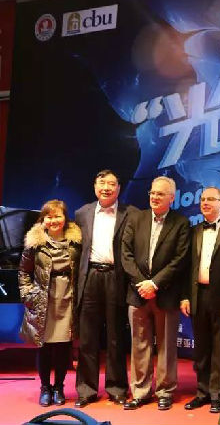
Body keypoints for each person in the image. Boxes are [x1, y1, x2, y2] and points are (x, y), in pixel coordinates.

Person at [121, 176, 190, 411]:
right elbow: (126, 254)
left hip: (165, 294)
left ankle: (165, 391)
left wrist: (155, 284)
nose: (154, 197)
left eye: (160, 194)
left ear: (172, 198)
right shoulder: (136, 218)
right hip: (137, 292)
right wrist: (142, 283)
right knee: (139, 345)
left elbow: (180, 259)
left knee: (166, 346)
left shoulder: (181, 223)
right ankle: (140, 392)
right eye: (152, 192)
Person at [74, 170, 137, 407]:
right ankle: (86, 390)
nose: (106, 188)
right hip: (90, 276)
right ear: (95, 187)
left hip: (116, 277)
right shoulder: (82, 213)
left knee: (115, 337)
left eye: (111, 184)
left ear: (119, 188)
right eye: (102, 183)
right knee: (88, 337)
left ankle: (117, 387)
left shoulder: (131, 213)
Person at [18, 200, 81, 407]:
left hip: (67, 299)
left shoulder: (76, 242)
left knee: (63, 347)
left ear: (65, 218)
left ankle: (59, 387)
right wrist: (28, 294)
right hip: (43, 299)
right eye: (49, 217)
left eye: (58, 216)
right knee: (43, 347)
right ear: (43, 219)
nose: (54, 220)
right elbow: (24, 272)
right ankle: (45, 388)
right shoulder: (34, 243)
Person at [181, 187, 220, 414]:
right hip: (198, 295)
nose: (205, 203)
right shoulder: (194, 231)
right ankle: (202, 392)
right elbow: (187, 268)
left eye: (211, 199)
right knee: (201, 348)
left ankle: (218, 394)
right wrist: (185, 296)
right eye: (203, 199)